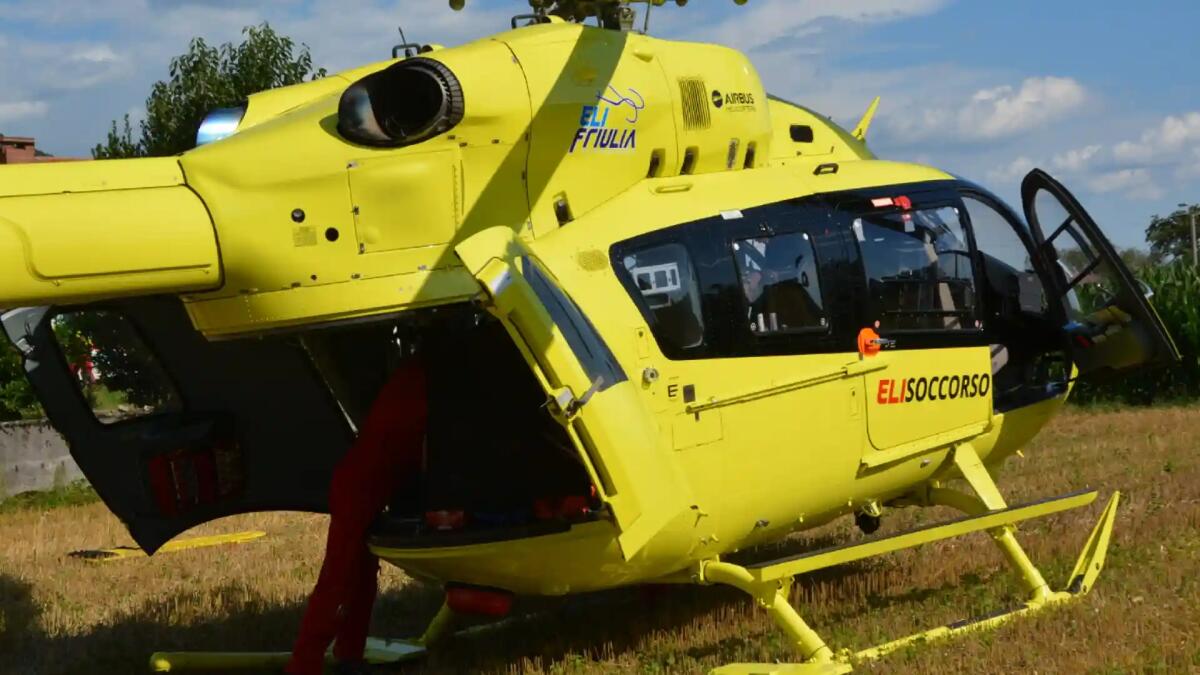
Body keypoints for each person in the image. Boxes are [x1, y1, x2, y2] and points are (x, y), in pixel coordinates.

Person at [285, 358, 429, 675]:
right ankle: (304, 666)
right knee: (338, 579)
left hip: (365, 485)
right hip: (360, 489)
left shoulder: (411, 377)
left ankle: (349, 656)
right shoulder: (425, 385)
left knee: (361, 578)